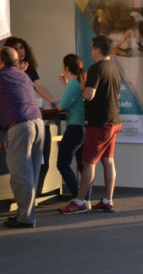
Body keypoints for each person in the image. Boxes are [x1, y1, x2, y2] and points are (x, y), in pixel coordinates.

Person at [0, 46, 45, 228]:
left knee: (21, 175)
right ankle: (25, 214)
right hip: (38, 124)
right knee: (31, 174)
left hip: (19, 126)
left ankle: (25, 218)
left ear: (1, 61)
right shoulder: (23, 76)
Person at [60, 35, 122, 213]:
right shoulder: (114, 69)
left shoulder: (96, 68)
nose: (90, 52)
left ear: (96, 48)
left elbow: (89, 95)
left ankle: (79, 202)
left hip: (99, 123)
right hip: (114, 121)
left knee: (89, 163)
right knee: (108, 161)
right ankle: (107, 199)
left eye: (91, 48)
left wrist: (81, 84)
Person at [55, 54, 90, 203]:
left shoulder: (73, 84)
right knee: (82, 165)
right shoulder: (78, 82)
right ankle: (85, 197)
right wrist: (65, 84)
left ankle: (77, 196)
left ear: (66, 68)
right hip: (82, 128)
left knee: (62, 163)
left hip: (74, 128)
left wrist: (51, 100)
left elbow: (61, 106)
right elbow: (71, 100)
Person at [4, 37, 57, 107]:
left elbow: (38, 86)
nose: (20, 51)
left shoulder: (29, 67)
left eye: (21, 48)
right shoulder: (5, 69)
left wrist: (53, 101)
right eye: (16, 49)